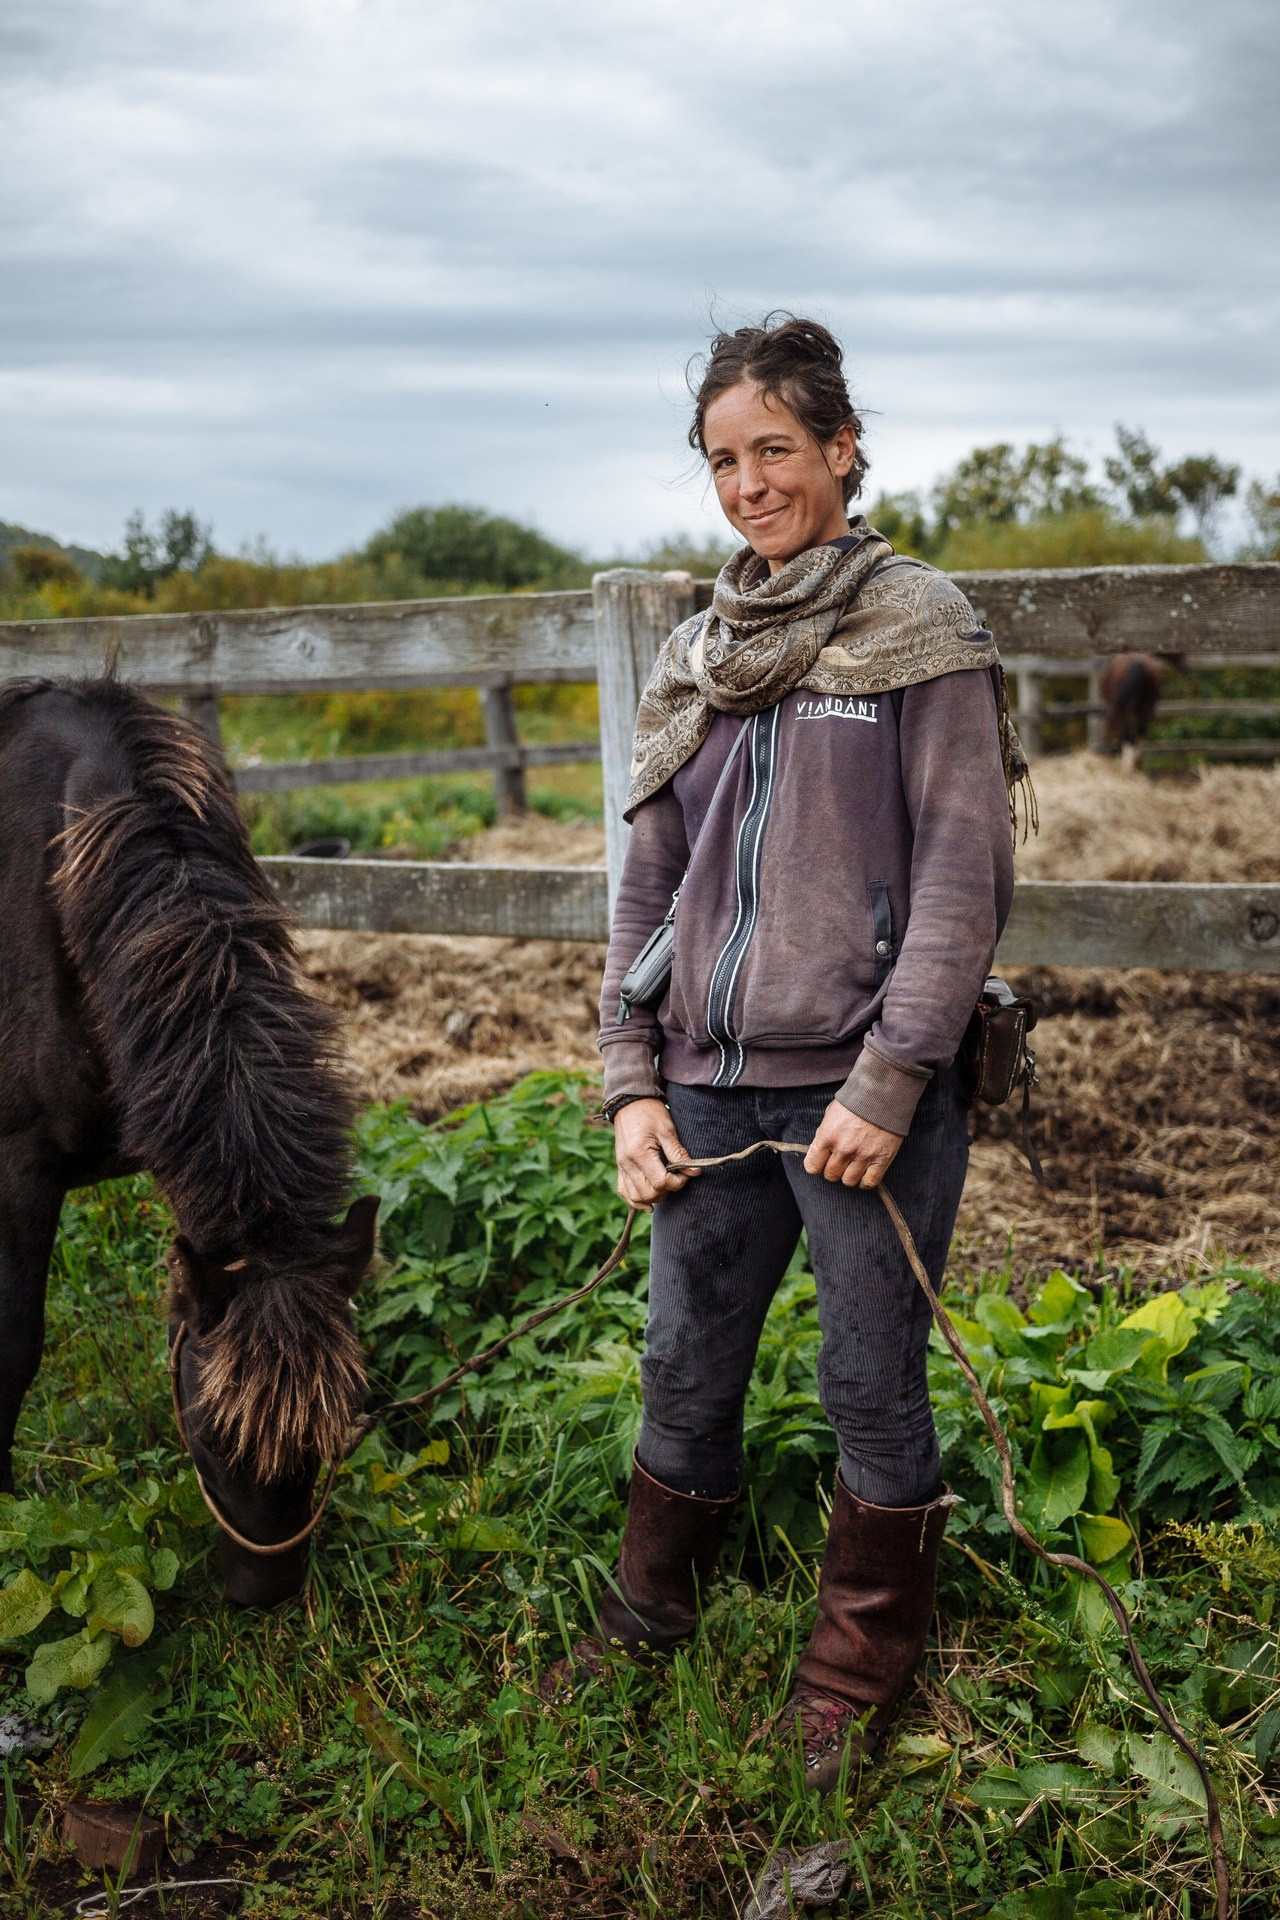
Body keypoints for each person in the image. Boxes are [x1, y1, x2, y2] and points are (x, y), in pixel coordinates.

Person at [574, 315, 1028, 1793]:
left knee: (869, 1380)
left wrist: (895, 1078)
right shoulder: (701, 658)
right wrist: (631, 1081)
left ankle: (856, 1673)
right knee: (683, 1364)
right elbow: (648, 883)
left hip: (861, 1089)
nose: (751, 483)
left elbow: (964, 873)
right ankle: (649, 1614)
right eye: (723, 458)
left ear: (843, 447)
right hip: (704, 1080)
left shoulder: (920, 633)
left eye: (777, 448)